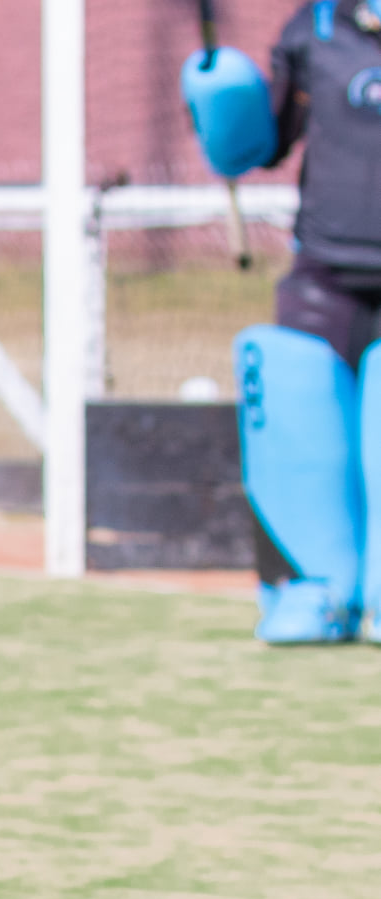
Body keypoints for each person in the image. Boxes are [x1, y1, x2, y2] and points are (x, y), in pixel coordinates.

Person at [184, 2, 381, 643]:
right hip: (325, 277)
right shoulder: (315, 29)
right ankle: (311, 585)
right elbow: (260, 146)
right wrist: (224, 104)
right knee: (294, 391)